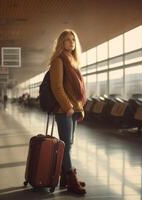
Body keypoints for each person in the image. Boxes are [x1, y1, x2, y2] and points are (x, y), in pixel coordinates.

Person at [49, 29, 87, 194]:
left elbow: (75, 88)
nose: (71, 42)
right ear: (61, 42)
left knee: (69, 144)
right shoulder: (58, 60)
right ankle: (71, 180)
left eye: (73, 39)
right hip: (64, 110)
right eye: (67, 40)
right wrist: (68, 107)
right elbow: (57, 87)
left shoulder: (74, 61)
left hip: (74, 109)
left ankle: (65, 178)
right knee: (66, 144)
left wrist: (78, 107)